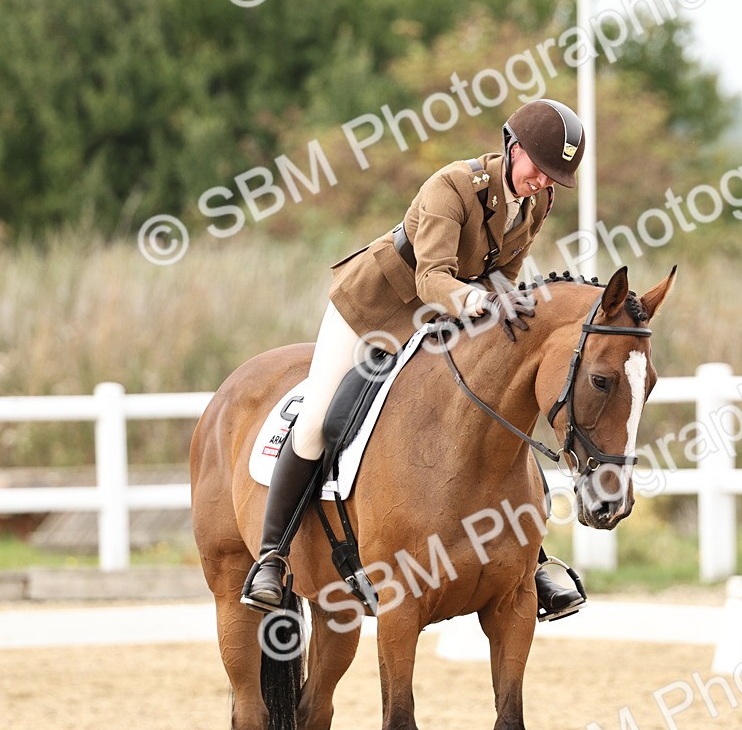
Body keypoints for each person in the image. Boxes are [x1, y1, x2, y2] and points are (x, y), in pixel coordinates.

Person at [244, 98, 587, 621]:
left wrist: (501, 311)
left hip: (446, 317)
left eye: (553, 177)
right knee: (316, 421)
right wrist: (482, 302)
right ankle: (271, 558)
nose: (543, 181)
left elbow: (507, 274)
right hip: (375, 310)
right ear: (511, 148)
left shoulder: (536, 204)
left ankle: (530, 559)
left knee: (493, 419)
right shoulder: (450, 187)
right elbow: (431, 277)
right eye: (538, 168)